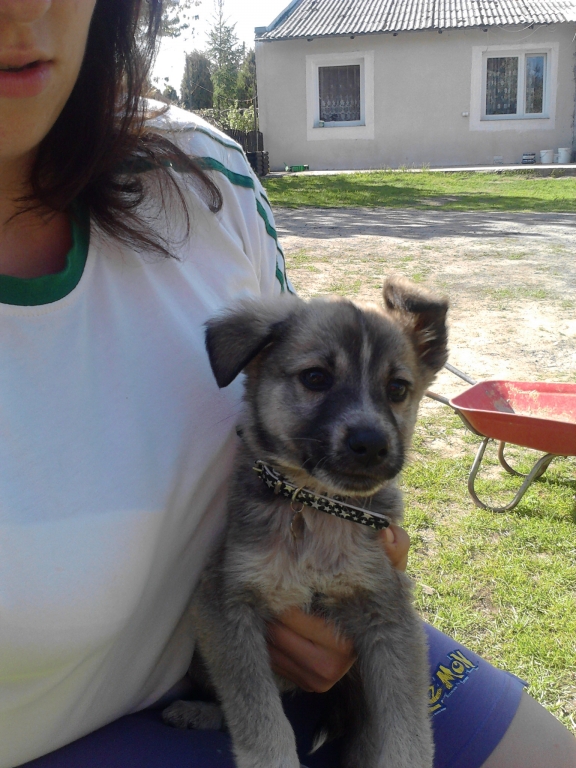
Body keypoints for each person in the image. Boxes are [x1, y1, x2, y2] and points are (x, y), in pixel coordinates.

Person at [0, 2, 574, 767]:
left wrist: (336, 589)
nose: (22, 8)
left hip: (318, 646)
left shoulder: (205, 173)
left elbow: (313, 355)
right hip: (84, 730)